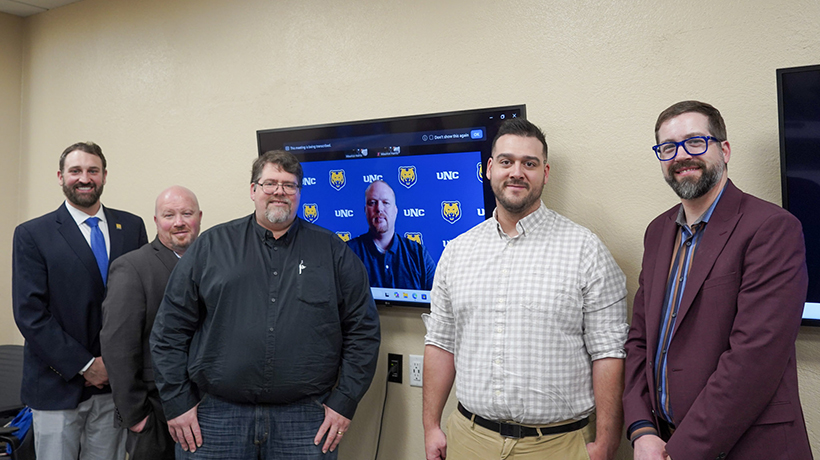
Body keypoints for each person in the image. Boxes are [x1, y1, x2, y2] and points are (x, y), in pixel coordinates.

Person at [150, 150, 380, 459]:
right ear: (253, 190)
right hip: (215, 418)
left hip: (306, 420)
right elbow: (169, 331)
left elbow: (363, 331)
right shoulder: (211, 247)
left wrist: (345, 401)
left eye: (289, 185)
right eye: (270, 183)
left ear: (299, 193)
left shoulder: (332, 252)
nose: (279, 192)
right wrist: (177, 402)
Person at [422, 118, 628, 460]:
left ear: (545, 173)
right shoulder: (457, 251)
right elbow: (441, 344)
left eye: (529, 164)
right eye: (506, 161)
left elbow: (609, 354)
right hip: (470, 440)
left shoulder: (585, 250)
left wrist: (606, 442)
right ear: (489, 169)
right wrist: (431, 426)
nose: (517, 172)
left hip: (557, 445)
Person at [623, 100, 812, 460]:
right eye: (668, 147)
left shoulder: (771, 228)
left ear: (723, 149)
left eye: (695, 142)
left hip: (745, 447)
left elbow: (754, 360)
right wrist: (641, 429)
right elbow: (639, 341)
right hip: (659, 441)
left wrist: (680, 452)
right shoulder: (658, 232)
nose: (681, 156)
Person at [12, 141, 148, 460]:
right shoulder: (33, 234)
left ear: (104, 176)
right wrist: (86, 365)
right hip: (56, 386)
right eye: (75, 171)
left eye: (92, 170)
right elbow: (30, 314)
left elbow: (141, 304)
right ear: (60, 176)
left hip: (115, 387)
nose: (84, 178)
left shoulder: (131, 227)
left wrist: (114, 366)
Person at [100, 186, 203, 460]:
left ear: (200, 217)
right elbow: (117, 347)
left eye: (186, 213)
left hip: (207, 410)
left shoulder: (214, 262)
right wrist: (136, 417)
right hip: (154, 413)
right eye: (169, 215)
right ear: (156, 222)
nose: (179, 221)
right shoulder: (132, 268)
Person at [347, 179, 437, 290]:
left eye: (385, 203)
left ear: (395, 211)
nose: (379, 208)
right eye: (372, 203)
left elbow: (438, 301)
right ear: (365, 210)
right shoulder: (348, 253)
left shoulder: (418, 254)